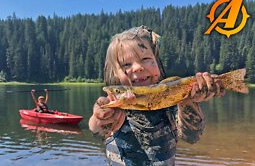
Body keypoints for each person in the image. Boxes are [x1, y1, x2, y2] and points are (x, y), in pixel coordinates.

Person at [88, 26, 225, 165]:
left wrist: (188, 102)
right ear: (115, 74)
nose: (137, 67)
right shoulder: (115, 106)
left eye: (145, 58)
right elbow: (96, 131)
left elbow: (192, 137)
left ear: (157, 63)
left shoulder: (172, 104)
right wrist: (100, 117)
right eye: (126, 64)